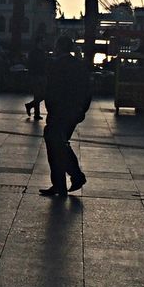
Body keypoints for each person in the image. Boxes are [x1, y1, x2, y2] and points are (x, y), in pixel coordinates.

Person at [40, 36, 91, 197]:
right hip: (73, 112)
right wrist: (82, 109)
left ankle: (68, 180)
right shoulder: (79, 65)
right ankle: (67, 180)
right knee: (60, 144)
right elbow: (87, 89)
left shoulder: (54, 65)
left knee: (54, 145)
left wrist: (51, 108)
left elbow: (51, 89)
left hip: (58, 111)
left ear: (58, 47)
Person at [25, 37, 47, 120]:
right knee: (39, 94)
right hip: (37, 75)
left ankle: (31, 106)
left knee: (39, 95)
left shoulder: (35, 52)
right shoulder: (36, 53)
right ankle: (36, 113)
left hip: (38, 74)